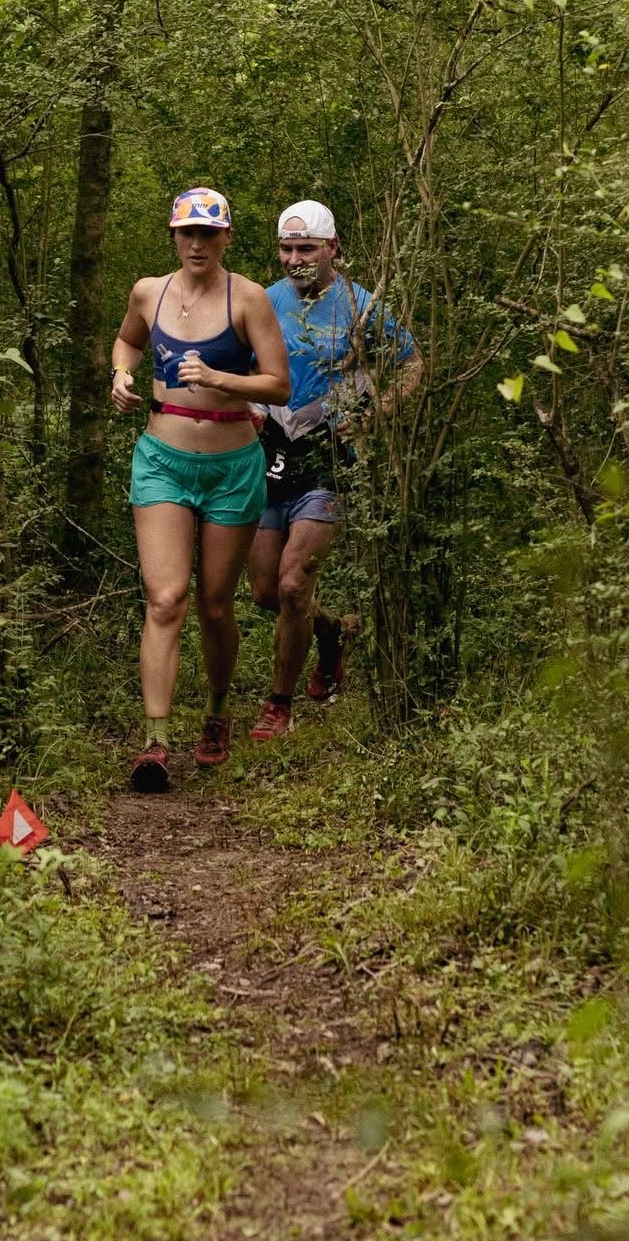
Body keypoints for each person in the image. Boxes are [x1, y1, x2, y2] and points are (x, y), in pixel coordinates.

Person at [110, 187, 290, 791]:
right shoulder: (148, 292)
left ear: (226, 238)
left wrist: (219, 377)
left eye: (208, 233)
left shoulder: (249, 298)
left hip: (231, 464)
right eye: (187, 232)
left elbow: (280, 385)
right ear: (173, 235)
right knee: (166, 598)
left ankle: (217, 711)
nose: (197, 243)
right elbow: (129, 340)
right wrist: (121, 374)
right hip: (162, 459)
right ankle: (155, 742)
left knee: (215, 604)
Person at [247, 200, 422, 743]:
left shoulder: (362, 307)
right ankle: (332, 633)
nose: (294, 259)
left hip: (330, 457)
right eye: (286, 249)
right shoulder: (261, 301)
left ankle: (278, 705)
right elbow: (237, 368)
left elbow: (413, 365)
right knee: (266, 592)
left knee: (294, 582)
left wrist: (374, 415)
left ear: (332, 248)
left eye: (306, 248)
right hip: (266, 454)